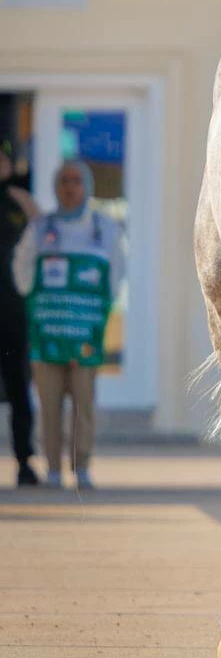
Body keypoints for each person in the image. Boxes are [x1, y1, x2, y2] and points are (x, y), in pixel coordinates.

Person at [13, 160, 125, 490]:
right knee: (48, 405)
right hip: (47, 334)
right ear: (56, 186)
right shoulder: (40, 228)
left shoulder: (105, 228)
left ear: (87, 187)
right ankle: (51, 468)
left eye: (77, 181)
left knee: (83, 405)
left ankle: (83, 466)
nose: (70, 187)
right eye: (64, 181)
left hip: (84, 335)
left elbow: (115, 275)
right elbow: (22, 268)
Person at [0, 144, 40, 485]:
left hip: (13, 309)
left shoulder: (19, 198)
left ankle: (24, 460)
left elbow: (41, 232)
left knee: (18, 389)